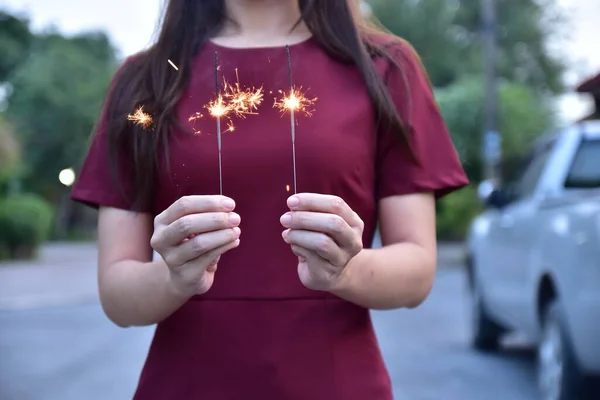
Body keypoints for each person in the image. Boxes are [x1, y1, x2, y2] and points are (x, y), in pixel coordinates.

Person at [71, 0, 469, 398]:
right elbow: (118, 294)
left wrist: (347, 271)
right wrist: (172, 278)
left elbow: (416, 269)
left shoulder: (385, 68)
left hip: (336, 384)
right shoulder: (145, 81)